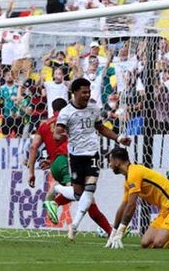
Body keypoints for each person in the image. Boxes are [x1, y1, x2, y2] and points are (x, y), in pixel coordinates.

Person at [54, 78, 131, 241]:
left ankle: (74, 225)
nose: (87, 94)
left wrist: (118, 138)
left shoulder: (94, 108)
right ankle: (58, 189)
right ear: (74, 92)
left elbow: (101, 128)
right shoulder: (66, 112)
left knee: (90, 190)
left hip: (92, 154)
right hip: (75, 157)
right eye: (84, 92)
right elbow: (57, 133)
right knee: (78, 195)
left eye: (88, 91)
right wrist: (62, 135)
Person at [27, 98, 112, 236]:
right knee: (84, 196)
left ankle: (110, 231)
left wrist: (31, 172)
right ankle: (55, 201)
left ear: (52, 108)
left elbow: (33, 146)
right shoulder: (69, 119)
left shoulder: (43, 125)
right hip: (67, 161)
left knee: (86, 197)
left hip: (55, 165)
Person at [105, 147, 169, 249]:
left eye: (110, 161)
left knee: (159, 243)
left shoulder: (134, 173)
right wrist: (114, 231)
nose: (110, 164)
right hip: (165, 211)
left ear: (117, 161)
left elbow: (132, 205)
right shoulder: (128, 180)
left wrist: (121, 230)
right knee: (145, 243)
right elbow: (124, 206)